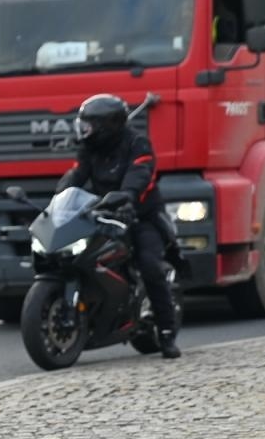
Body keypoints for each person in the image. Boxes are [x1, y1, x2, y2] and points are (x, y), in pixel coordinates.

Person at [57, 93, 180, 359]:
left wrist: (127, 197)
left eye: (89, 125)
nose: (84, 130)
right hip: (103, 213)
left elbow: (140, 174)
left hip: (140, 215)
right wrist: (59, 200)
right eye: (83, 124)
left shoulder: (138, 144)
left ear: (107, 125)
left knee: (149, 266)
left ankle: (168, 332)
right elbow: (77, 174)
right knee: (77, 256)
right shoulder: (90, 148)